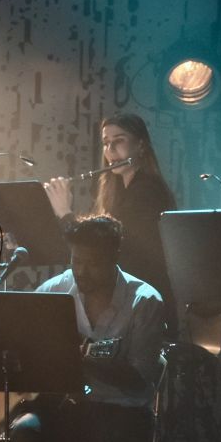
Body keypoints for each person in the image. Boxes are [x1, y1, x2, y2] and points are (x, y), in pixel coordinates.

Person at [9, 216, 167, 442]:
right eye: (76, 261)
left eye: (91, 263)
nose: (81, 271)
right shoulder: (54, 292)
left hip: (123, 411)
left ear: (114, 257)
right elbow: (23, 347)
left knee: (116, 441)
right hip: (67, 408)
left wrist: (84, 359)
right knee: (22, 435)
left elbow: (139, 382)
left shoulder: (144, 301)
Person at [47, 113, 181, 323]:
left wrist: (64, 211)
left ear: (141, 146)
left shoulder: (149, 192)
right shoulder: (117, 193)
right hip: (124, 300)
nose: (110, 150)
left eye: (119, 141)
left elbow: (100, 247)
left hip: (143, 303)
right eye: (106, 143)